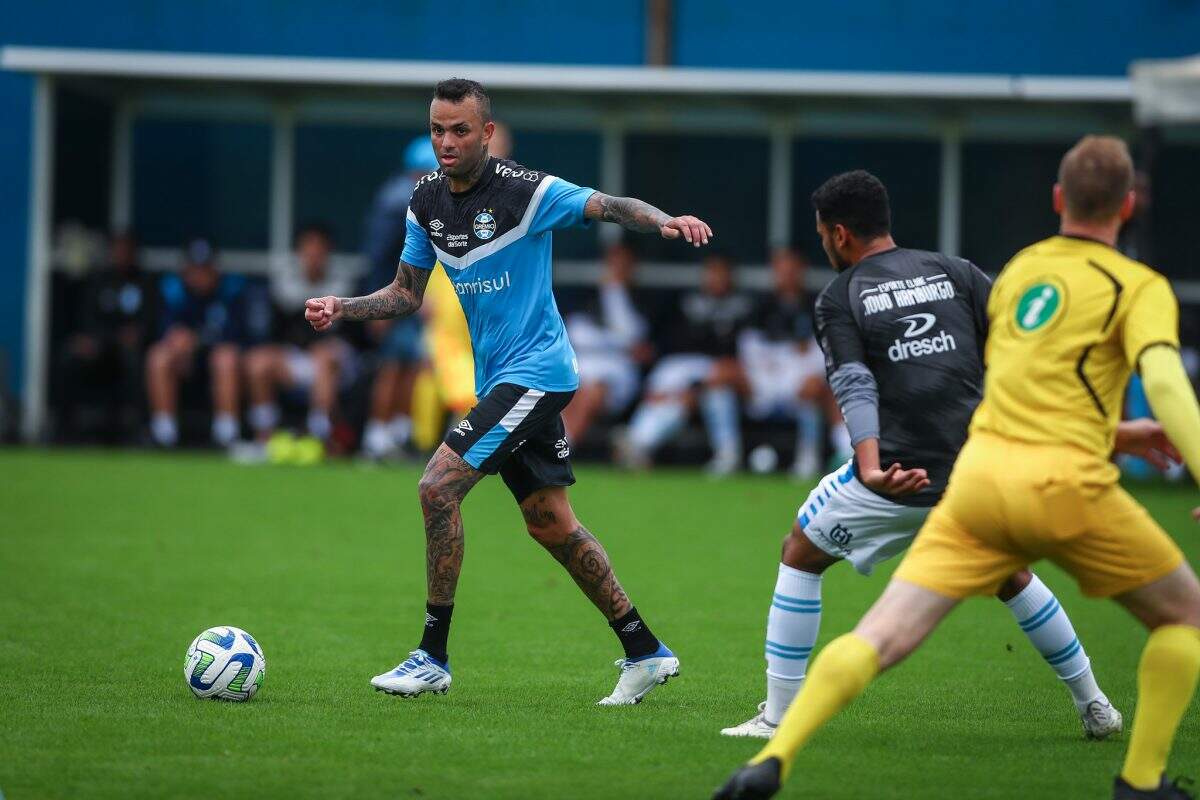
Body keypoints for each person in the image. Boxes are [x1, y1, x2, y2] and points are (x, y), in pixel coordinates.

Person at [715, 139, 1200, 800]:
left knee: (802, 553)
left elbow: (853, 382)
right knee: (1017, 576)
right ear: (1130, 204)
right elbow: (1026, 377)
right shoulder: (962, 271)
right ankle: (1098, 709)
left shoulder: (849, 293)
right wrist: (1120, 434)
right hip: (986, 460)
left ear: (836, 233)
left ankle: (776, 726)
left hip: (936, 478)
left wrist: (869, 465)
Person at [304, 78, 713, 704]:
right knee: (551, 524)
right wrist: (343, 306)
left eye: (460, 130)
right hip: (502, 379)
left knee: (437, 486)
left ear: (486, 133)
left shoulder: (527, 192)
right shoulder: (424, 201)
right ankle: (644, 649)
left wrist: (665, 222)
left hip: (539, 373)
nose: (447, 141)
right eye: (438, 129)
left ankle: (432, 655)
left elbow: (609, 204)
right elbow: (406, 295)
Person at [620, 253, 754, 474]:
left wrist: (697, 387)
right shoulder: (685, 301)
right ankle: (637, 443)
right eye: (712, 272)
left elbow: (743, 356)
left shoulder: (744, 307)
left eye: (721, 273)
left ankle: (727, 456)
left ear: (731, 276)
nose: (716, 278)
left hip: (721, 368)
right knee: (668, 397)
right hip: (680, 368)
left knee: (716, 393)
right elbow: (663, 348)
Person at [359, 136, 442, 459]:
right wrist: (378, 307)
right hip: (394, 298)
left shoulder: (418, 201)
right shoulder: (397, 203)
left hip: (414, 299)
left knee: (412, 365)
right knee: (392, 366)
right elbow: (379, 258)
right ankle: (375, 435)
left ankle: (397, 432)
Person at [739, 247, 850, 477]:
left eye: (792, 270)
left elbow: (828, 349)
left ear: (801, 271)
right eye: (781, 270)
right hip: (766, 383)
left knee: (824, 388)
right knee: (725, 376)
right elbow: (750, 351)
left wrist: (814, 375)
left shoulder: (819, 305)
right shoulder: (759, 308)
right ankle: (728, 454)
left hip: (803, 380)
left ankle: (833, 453)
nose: (786, 276)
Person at [244, 223, 355, 443]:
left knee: (324, 354)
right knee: (257, 362)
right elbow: (277, 333)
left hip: (336, 361)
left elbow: (352, 335)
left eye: (319, 248)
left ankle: (319, 436)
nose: (313, 254)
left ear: (327, 252)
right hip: (296, 357)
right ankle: (263, 438)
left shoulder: (344, 283)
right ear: (300, 252)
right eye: (308, 248)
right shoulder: (283, 283)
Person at [145, 238, 251, 448]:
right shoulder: (172, 291)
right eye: (195, 269)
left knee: (225, 357)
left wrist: (198, 341)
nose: (200, 275)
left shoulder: (231, 291)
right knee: (158, 356)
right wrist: (180, 346)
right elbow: (164, 332)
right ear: (186, 270)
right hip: (183, 363)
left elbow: (238, 337)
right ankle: (164, 434)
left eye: (205, 269)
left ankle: (226, 434)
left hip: (221, 364)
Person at [55, 229, 157, 441]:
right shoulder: (98, 281)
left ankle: (140, 429)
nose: (121, 254)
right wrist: (94, 339)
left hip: (129, 351)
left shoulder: (145, 282)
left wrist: (133, 335)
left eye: (126, 249)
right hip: (100, 346)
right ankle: (63, 428)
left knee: (136, 359)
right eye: (117, 249)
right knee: (69, 356)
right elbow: (87, 320)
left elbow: (149, 322)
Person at [562, 242, 652, 444]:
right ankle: (554, 446)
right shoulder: (588, 295)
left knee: (593, 391)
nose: (618, 268)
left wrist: (616, 291)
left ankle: (565, 447)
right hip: (584, 362)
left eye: (624, 263)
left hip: (619, 371)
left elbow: (634, 335)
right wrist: (620, 343)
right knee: (566, 389)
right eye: (614, 262)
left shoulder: (646, 298)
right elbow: (577, 333)